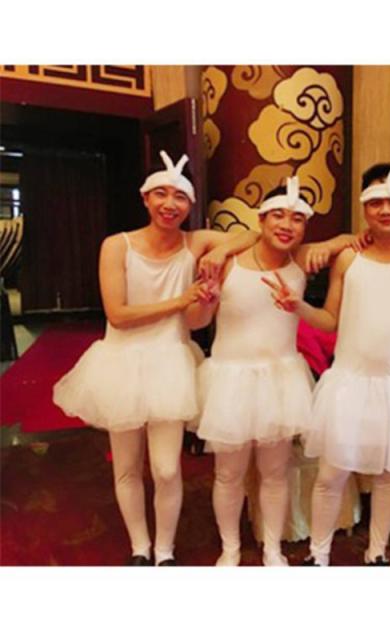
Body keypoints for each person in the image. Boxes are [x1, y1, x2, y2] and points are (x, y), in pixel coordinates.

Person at [53, 151, 258, 566]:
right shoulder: (118, 245)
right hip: (120, 362)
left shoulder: (194, 242)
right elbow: (118, 314)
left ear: (190, 203)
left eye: (180, 196)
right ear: (145, 198)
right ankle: (140, 548)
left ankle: (165, 551)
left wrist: (217, 255)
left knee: (166, 469)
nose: (170, 203)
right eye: (160, 194)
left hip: (170, 364)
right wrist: (181, 300)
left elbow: (253, 234)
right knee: (127, 466)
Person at [268, 163, 390, 566]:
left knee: (388, 475)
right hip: (349, 382)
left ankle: (376, 551)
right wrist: (298, 307)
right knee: (332, 473)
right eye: (376, 202)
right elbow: (330, 319)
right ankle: (318, 554)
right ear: (365, 208)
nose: (386, 210)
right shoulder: (350, 258)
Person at [186, 177, 367, 567]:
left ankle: (272, 548)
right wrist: (207, 300)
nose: (287, 225)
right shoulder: (227, 261)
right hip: (230, 379)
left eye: (297, 219)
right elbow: (195, 321)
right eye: (278, 216)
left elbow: (355, 239)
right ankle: (230, 549)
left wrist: (331, 242)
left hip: (281, 380)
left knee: (275, 472)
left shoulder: (300, 262)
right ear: (262, 220)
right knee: (229, 474)